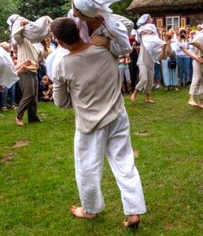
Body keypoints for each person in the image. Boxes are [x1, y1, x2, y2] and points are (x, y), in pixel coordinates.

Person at [51, 17, 146, 228]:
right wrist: (102, 34)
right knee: (125, 163)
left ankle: (90, 210)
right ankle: (133, 211)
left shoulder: (62, 65)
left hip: (89, 125)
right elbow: (124, 26)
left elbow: (61, 102)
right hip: (117, 116)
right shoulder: (105, 49)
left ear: (59, 41)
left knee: (87, 168)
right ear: (79, 28)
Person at [131, 14, 163, 104]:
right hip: (142, 59)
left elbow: (155, 38)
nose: (151, 19)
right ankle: (134, 93)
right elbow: (138, 32)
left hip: (151, 59)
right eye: (150, 18)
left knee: (150, 79)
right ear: (146, 19)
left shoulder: (153, 28)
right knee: (144, 78)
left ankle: (147, 98)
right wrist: (145, 31)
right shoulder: (141, 29)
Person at [179, 28, 203, 108]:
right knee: (196, 78)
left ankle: (199, 102)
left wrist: (186, 51)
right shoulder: (201, 40)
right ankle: (191, 99)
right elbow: (199, 59)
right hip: (199, 61)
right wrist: (185, 51)